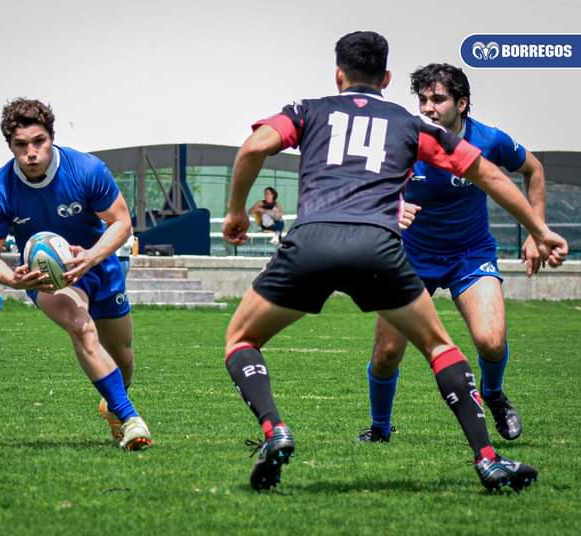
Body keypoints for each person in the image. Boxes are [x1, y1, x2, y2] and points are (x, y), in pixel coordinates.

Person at [221, 31, 567, 492]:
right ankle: (487, 459)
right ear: (386, 77)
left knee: (241, 338)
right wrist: (540, 230)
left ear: (338, 75)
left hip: (312, 242)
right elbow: (484, 172)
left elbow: (251, 148)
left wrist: (237, 211)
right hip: (379, 249)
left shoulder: (307, 111)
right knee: (440, 347)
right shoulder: (410, 125)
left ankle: (274, 429)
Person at [358, 63, 547, 445]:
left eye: (438, 99)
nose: (427, 108)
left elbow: (534, 168)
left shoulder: (488, 140)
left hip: (470, 255)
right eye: (423, 99)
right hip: (410, 257)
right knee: (386, 354)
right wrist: (391, 206)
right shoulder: (403, 139)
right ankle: (380, 429)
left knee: (491, 342)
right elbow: (364, 184)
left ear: (461, 104)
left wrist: (535, 230)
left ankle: (492, 395)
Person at [0, 98, 151, 450]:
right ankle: (131, 419)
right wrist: (12, 279)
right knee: (81, 326)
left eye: (38, 141)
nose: (31, 152)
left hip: (99, 264)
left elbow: (121, 222)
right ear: (10, 146)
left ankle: (113, 403)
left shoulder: (86, 170)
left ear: (52, 138)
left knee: (124, 357)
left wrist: (91, 256)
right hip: (48, 280)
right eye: (20, 145)